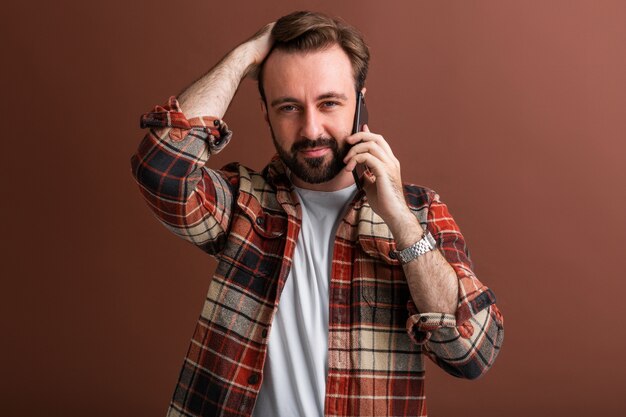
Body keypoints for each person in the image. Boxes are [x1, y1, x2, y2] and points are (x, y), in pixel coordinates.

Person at [131, 10, 504, 417]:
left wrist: (401, 222)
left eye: (329, 103)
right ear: (266, 113)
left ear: (360, 102)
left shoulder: (419, 213)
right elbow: (162, 170)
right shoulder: (244, 204)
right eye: (289, 107)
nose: (311, 129)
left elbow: (473, 353)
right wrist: (242, 58)